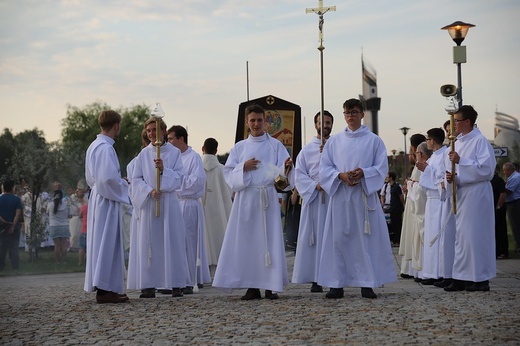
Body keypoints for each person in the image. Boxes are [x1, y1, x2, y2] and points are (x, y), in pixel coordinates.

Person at [212, 104, 294, 300]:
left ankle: (270, 285)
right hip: (247, 199)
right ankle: (252, 286)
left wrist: (287, 168)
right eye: (253, 120)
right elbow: (229, 173)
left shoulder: (276, 145)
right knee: (249, 242)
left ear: (266, 122)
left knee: (269, 240)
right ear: (247, 123)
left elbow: (284, 176)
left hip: (267, 197)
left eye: (260, 120)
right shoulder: (240, 147)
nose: (256, 124)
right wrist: (244, 167)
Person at [318, 98, 396, 299]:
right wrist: (340, 176)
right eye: (347, 112)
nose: (350, 116)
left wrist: (364, 173)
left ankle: (366, 283)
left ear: (362, 114)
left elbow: (381, 168)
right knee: (339, 239)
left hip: (363, 196)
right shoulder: (334, 141)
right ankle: (337, 283)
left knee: (365, 239)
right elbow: (324, 168)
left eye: (354, 112)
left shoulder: (374, 141)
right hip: (342, 196)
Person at [127, 118, 189, 298]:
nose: (152, 134)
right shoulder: (143, 154)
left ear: (163, 130)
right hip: (151, 203)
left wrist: (163, 170)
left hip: (169, 203)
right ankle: (148, 284)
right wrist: (149, 191)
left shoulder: (175, 153)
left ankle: (176, 283)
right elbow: (135, 179)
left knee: (172, 242)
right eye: (148, 131)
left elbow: (179, 178)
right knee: (150, 244)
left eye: (154, 130)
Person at [445, 105, 496, 292]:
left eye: (456, 121)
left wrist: (461, 161)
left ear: (467, 121)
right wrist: (451, 177)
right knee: (461, 237)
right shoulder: (456, 143)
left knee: (476, 236)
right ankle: (461, 276)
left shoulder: (480, 141)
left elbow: (486, 169)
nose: (453, 125)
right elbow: (451, 168)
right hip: (461, 191)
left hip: (477, 193)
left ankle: (480, 278)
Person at [84, 110, 130, 304]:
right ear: (116, 125)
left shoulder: (95, 145)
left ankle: (106, 287)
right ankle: (104, 290)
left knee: (103, 243)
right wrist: (125, 186)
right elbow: (107, 179)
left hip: (100, 197)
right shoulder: (104, 148)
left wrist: (118, 183)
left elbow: (94, 178)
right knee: (107, 243)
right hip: (106, 200)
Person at [292, 110, 333, 293]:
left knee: (332, 237)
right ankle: (316, 277)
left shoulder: (336, 145)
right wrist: (314, 186)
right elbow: (298, 174)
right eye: (321, 122)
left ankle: (334, 277)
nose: (325, 125)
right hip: (315, 200)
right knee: (315, 239)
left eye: (328, 122)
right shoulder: (306, 150)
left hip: (333, 199)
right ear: (315, 124)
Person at [168, 125, 211, 293]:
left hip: (188, 203)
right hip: (174, 203)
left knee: (188, 243)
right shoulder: (171, 158)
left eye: (171, 138)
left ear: (181, 139)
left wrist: (175, 183)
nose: (168, 142)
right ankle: (175, 279)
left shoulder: (193, 158)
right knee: (174, 242)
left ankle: (189, 279)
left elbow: (197, 182)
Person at [416, 128, 447, 285]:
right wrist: (426, 169)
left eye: (427, 139)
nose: (426, 141)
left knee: (437, 237)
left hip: (438, 200)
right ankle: (430, 272)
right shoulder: (435, 156)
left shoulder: (444, 154)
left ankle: (440, 272)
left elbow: (443, 177)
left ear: (433, 140)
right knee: (430, 236)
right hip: (431, 199)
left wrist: (427, 169)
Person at [398, 133, 426, 279]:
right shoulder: (416, 167)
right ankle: (408, 268)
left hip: (417, 207)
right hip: (412, 204)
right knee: (410, 236)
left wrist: (410, 184)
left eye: (411, 150)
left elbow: (421, 187)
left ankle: (414, 269)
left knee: (415, 237)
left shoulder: (421, 166)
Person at [201, 137, 232, 267]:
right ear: (216, 150)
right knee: (220, 230)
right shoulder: (222, 169)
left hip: (201, 206)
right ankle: (221, 259)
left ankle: (204, 260)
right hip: (219, 209)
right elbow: (229, 191)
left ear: (202, 149)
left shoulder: (197, 167)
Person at [0, 180, 23, 271]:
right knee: (14, 247)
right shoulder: (17, 199)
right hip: (15, 227)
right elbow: (18, 214)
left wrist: (5, 223)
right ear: (12, 188)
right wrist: (13, 225)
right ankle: (15, 267)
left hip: (2, 226)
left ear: (3, 187)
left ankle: (1, 266)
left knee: (2, 247)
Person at [47, 186, 70, 264]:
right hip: (64, 226)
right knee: (64, 245)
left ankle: (57, 261)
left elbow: (47, 213)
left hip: (54, 226)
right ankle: (63, 261)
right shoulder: (66, 205)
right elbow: (69, 215)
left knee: (57, 245)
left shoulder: (50, 205)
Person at [380, 172, 404, 246]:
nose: (386, 177)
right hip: (389, 208)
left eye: (387, 176)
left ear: (391, 178)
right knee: (392, 224)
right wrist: (383, 202)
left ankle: (397, 241)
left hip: (396, 208)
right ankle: (393, 240)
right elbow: (382, 195)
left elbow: (401, 197)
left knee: (397, 224)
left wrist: (402, 205)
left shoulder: (397, 186)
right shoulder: (386, 186)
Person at [503, 162, 520, 253]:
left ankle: (519, 246)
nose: (504, 172)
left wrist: (500, 188)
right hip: (512, 203)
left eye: (504, 170)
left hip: (515, 203)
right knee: (514, 226)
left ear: (509, 170)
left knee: (516, 225)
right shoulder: (512, 177)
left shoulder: (515, 177)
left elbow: (508, 190)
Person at [491, 166, 508, 259]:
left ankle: (503, 251)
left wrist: (498, 206)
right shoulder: (488, 180)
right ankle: (495, 251)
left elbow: (503, 193)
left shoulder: (498, 180)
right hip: (490, 209)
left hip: (498, 209)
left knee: (500, 229)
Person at [68, 180, 87, 252]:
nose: (83, 194)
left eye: (84, 192)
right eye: (81, 192)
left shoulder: (85, 198)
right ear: (77, 191)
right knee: (74, 233)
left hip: (83, 218)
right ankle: (72, 247)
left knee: (81, 234)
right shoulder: (72, 198)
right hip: (75, 217)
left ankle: (80, 247)